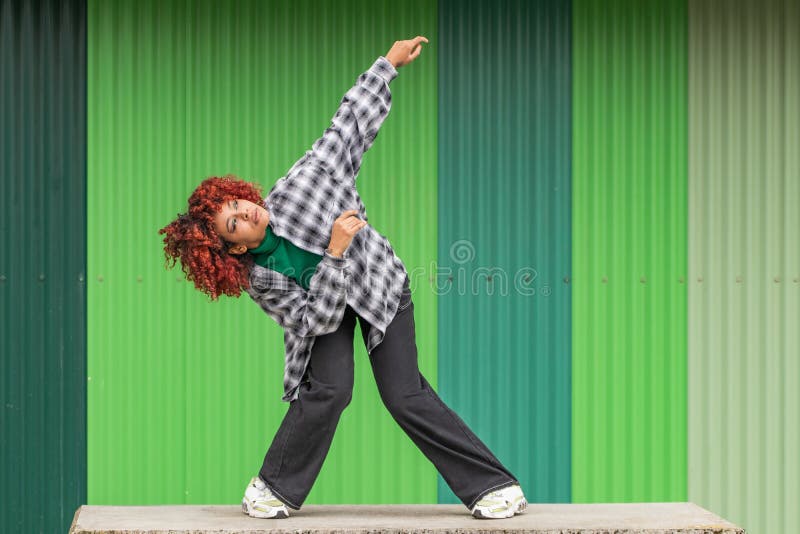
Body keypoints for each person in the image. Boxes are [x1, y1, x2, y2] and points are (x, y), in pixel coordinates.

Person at [158, 37, 527, 520]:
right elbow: (317, 318)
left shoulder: (301, 185)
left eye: (237, 202)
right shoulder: (260, 280)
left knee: (404, 394)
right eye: (235, 223)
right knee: (329, 389)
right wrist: (333, 254)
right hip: (327, 309)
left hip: (379, 288)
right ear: (235, 248)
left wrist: (388, 66)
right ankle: (273, 488)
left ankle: (493, 486)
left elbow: (346, 129)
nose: (247, 212)